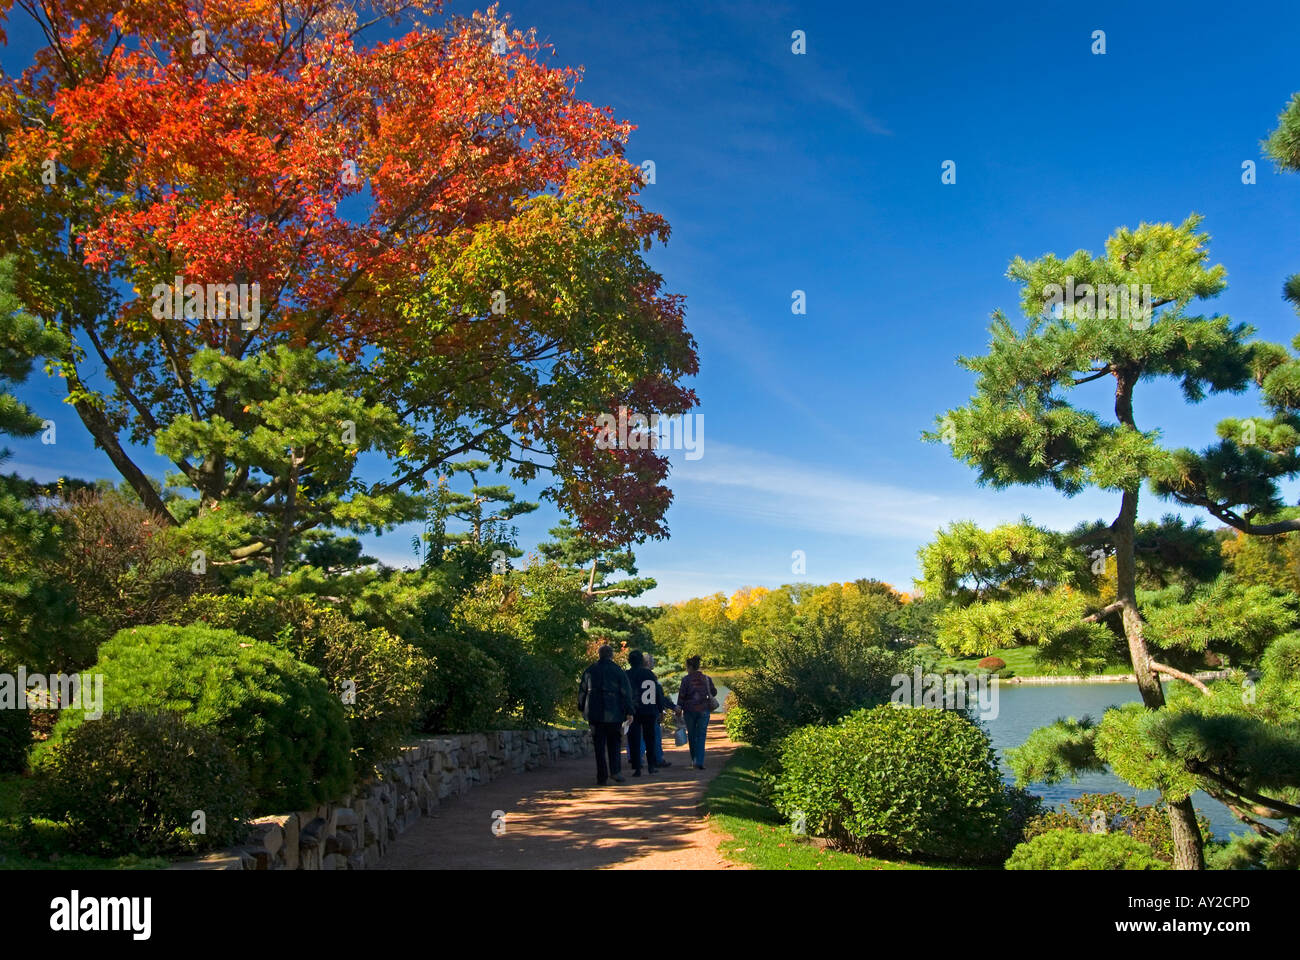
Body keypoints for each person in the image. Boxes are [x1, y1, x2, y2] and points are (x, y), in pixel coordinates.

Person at [578, 644, 634, 786]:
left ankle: (601, 776)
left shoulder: (590, 670)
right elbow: (626, 692)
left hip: (595, 713)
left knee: (599, 745)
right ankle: (615, 771)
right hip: (614, 713)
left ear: (599, 654)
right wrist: (629, 711)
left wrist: (581, 707)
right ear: (611, 655)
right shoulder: (618, 671)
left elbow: (582, 691)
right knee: (614, 743)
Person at [624, 650, 669, 776]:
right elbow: (658, 693)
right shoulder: (649, 674)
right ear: (641, 661)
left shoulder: (627, 674)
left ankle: (637, 767)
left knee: (634, 740)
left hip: (634, 711)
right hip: (649, 710)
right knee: (650, 739)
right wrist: (660, 709)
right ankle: (651, 766)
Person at [677, 655, 717, 770]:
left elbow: (682, 696)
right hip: (704, 709)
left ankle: (694, 759)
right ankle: (699, 761)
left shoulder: (686, 680)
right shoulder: (706, 678)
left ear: (690, 667)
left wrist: (679, 708)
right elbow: (714, 692)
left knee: (692, 735)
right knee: (701, 735)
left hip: (689, 710)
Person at [644, 653, 676, 768]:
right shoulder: (652, 677)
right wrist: (665, 708)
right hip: (652, 711)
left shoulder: (634, 675)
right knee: (656, 736)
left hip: (639, 711)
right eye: (652, 661)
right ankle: (658, 759)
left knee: (641, 737)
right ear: (647, 663)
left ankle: (637, 759)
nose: (654, 663)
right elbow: (659, 696)